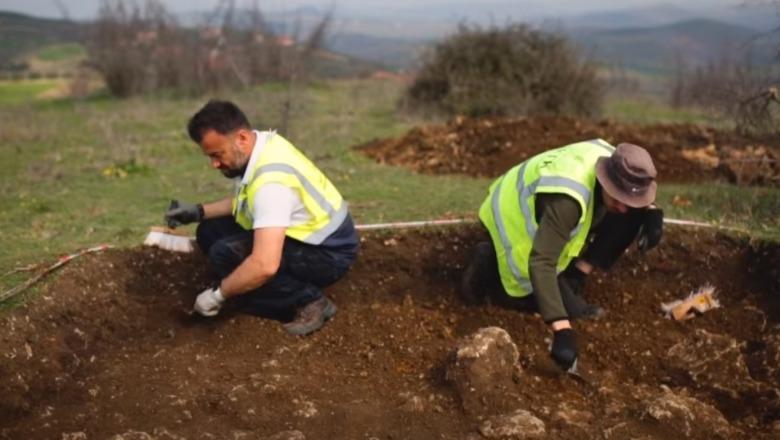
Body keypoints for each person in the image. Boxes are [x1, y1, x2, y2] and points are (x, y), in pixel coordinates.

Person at [461, 139, 663, 371]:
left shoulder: (617, 160)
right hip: (512, 214)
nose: (623, 206)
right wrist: (562, 331)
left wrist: (652, 211)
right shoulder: (567, 201)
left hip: (553, 223)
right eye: (619, 197)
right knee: (528, 295)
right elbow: (541, 262)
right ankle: (487, 265)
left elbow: (632, 195)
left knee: (631, 214)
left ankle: (575, 275)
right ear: (605, 180)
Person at [165, 100, 359, 335]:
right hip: (312, 235)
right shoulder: (262, 145)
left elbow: (265, 264)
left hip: (327, 254)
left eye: (217, 154)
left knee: (225, 255)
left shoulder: (272, 184)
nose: (214, 164)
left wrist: (219, 295)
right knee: (209, 230)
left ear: (242, 138)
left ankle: (309, 302)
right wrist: (198, 211)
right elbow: (248, 201)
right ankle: (248, 286)